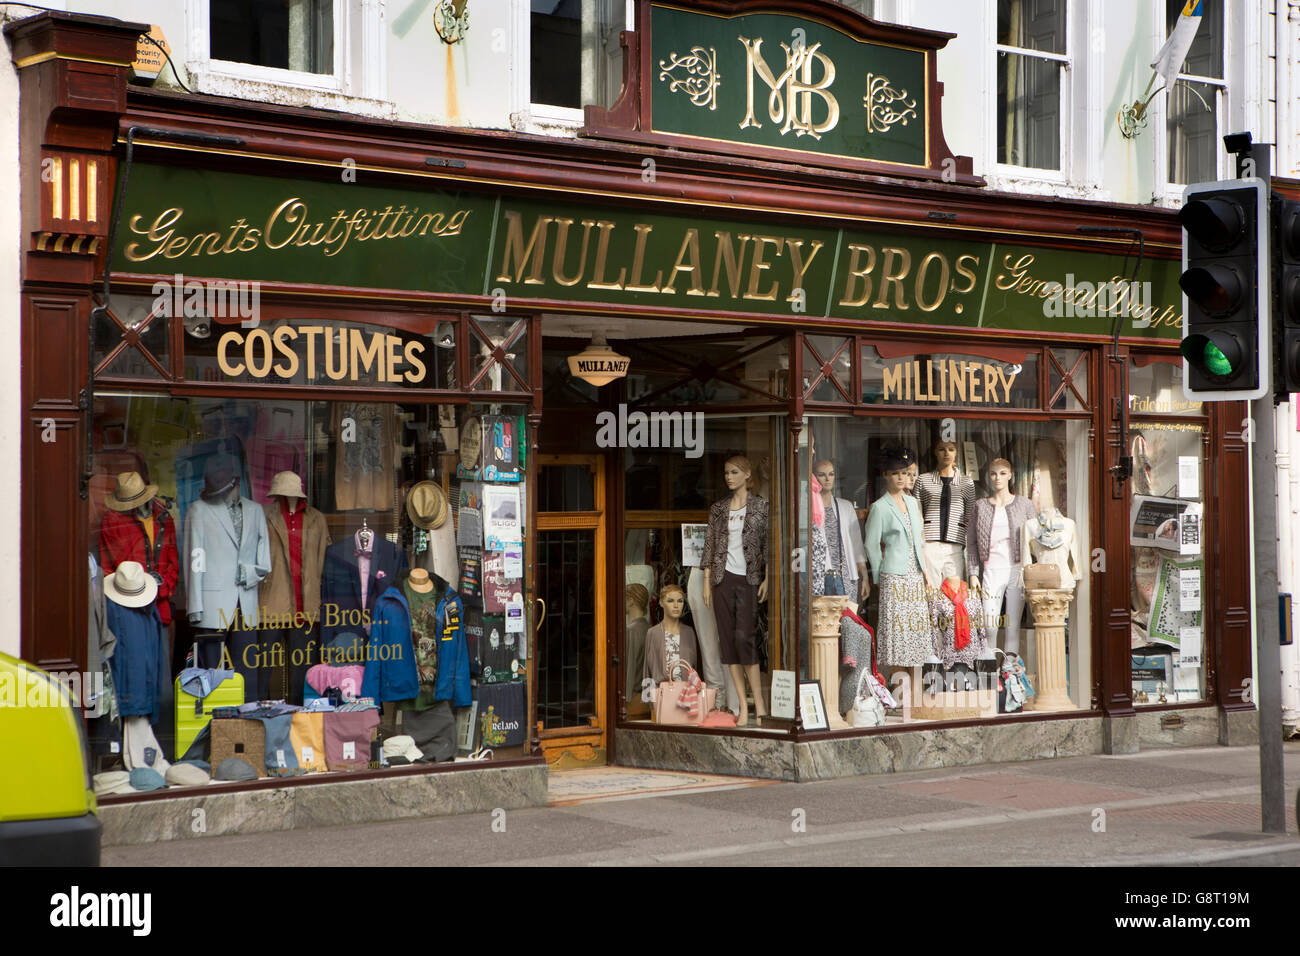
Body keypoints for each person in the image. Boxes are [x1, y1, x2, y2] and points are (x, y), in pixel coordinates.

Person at [702, 455, 769, 726]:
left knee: (745, 638)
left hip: (750, 579)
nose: (728, 477)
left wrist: (768, 579)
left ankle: (760, 704)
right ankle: (743, 705)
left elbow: (770, 544)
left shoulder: (761, 507)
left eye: (734, 472)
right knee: (728, 643)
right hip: (722, 579)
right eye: (726, 473)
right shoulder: (718, 509)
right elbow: (710, 544)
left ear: (747, 474)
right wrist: (707, 580)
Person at [862, 449, 937, 672]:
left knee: (915, 634)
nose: (902, 478)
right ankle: (900, 694)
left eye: (904, 473)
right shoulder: (879, 507)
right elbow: (870, 543)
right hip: (893, 576)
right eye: (896, 473)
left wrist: (926, 574)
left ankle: (913, 696)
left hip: (915, 574)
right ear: (886, 475)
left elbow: (919, 540)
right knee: (897, 635)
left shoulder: (913, 503)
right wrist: (878, 574)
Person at [813, 459, 868, 600]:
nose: (827, 479)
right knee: (825, 620)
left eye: (831, 474)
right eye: (821, 475)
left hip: (846, 574)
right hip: (820, 577)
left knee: (848, 619)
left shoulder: (845, 506)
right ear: (813, 477)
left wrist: (865, 576)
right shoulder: (810, 508)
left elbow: (857, 543)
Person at [643, 584, 698, 684]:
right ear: (661, 603)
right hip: (662, 694)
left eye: (680, 601)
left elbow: (694, 667)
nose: (676, 605)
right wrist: (648, 698)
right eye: (670, 601)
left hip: (686, 694)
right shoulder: (653, 633)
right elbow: (647, 671)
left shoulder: (689, 632)